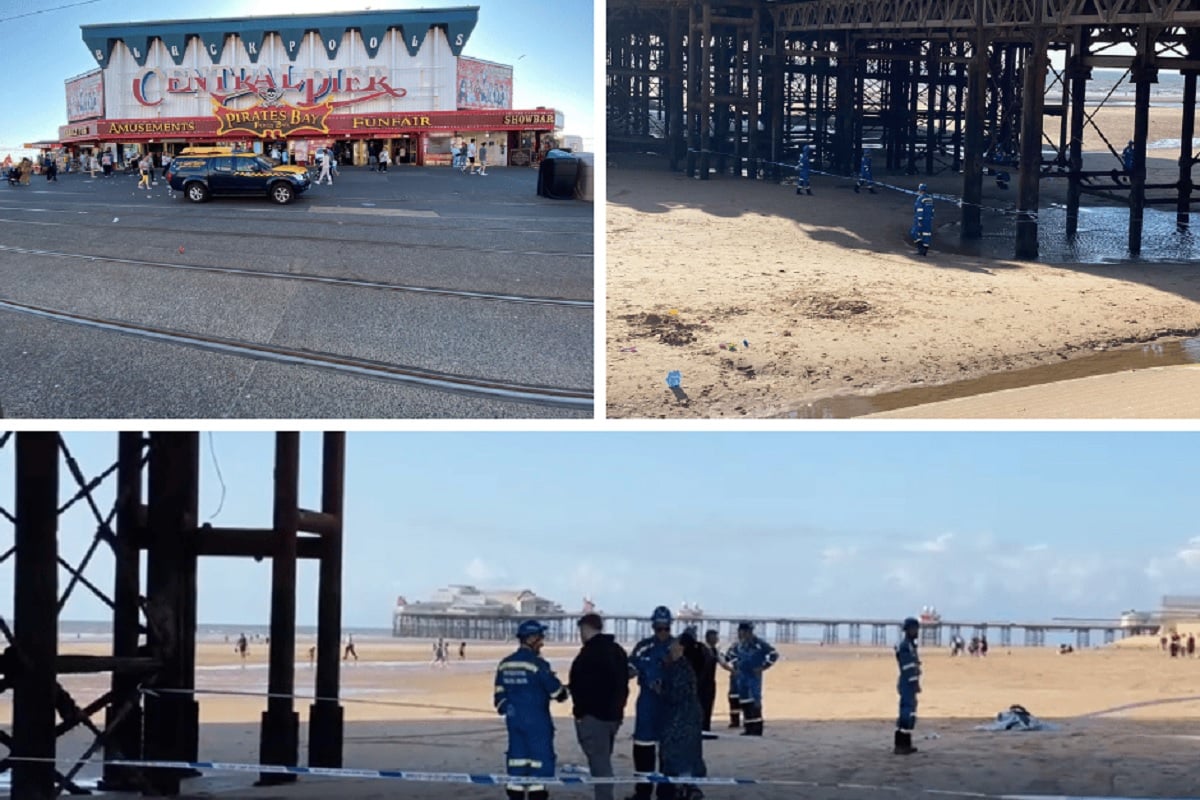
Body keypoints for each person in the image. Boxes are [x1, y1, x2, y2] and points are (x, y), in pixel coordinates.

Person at [495, 619, 569, 800]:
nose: (542, 642)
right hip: (537, 723)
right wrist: (566, 691)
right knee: (540, 769)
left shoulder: (505, 664)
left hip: (514, 722)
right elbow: (557, 692)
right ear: (532, 638)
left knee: (516, 767)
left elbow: (499, 698)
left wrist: (511, 710)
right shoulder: (538, 664)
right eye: (540, 638)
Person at [568, 613, 629, 800]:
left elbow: (581, 684)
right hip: (613, 715)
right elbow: (623, 681)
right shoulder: (617, 650)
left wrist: (581, 711)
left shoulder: (589, 654)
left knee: (600, 765)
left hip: (594, 717)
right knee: (602, 761)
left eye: (581, 631)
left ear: (585, 629)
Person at [627, 605, 675, 800]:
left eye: (666, 628)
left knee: (668, 751)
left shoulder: (678, 647)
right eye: (658, 628)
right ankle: (643, 792)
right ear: (653, 627)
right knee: (643, 749)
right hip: (647, 704)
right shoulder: (643, 647)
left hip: (670, 706)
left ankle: (667, 792)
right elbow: (629, 668)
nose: (662, 633)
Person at [658, 637, 706, 800]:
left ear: (681, 648)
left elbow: (675, 695)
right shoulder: (683, 666)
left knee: (678, 754)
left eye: (674, 644)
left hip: (681, 718)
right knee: (688, 754)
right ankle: (687, 787)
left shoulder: (680, 668)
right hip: (688, 716)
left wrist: (660, 690)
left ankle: (685, 788)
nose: (671, 647)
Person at [731, 622, 778, 736]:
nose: (741, 634)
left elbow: (774, 654)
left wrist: (763, 667)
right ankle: (748, 727)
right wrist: (736, 666)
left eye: (743, 632)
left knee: (755, 701)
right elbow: (731, 655)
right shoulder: (738, 645)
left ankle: (757, 728)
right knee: (745, 701)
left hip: (754, 677)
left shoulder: (759, 644)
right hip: (742, 677)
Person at [894, 617, 922, 755]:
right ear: (909, 630)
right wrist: (914, 682)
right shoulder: (906, 646)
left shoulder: (910, 645)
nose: (917, 632)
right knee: (906, 712)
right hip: (907, 683)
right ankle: (901, 745)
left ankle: (906, 744)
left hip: (909, 682)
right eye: (915, 629)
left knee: (910, 712)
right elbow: (907, 667)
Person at [697, 630, 720, 734]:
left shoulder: (715, 650)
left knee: (709, 704)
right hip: (700, 682)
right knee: (701, 705)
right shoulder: (701, 649)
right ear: (707, 638)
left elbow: (722, 662)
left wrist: (733, 671)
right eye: (714, 637)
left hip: (710, 682)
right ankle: (700, 727)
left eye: (716, 637)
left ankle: (706, 726)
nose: (716, 639)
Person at [721, 638, 740, 729]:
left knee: (735, 697)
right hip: (739, 676)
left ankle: (735, 721)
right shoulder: (734, 647)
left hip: (739, 675)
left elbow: (725, 660)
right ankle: (737, 720)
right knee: (735, 697)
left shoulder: (734, 646)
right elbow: (726, 659)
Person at [910, 183, 934, 256]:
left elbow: (919, 209)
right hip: (928, 219)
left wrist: (919, 219)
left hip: (921, 219)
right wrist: (931, 217)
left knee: (914, 232)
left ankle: (920, 248)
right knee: (926, 234)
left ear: (920, 190)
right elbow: (932, 210)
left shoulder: (920, 198)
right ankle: (925, 250)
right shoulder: (930, 198)